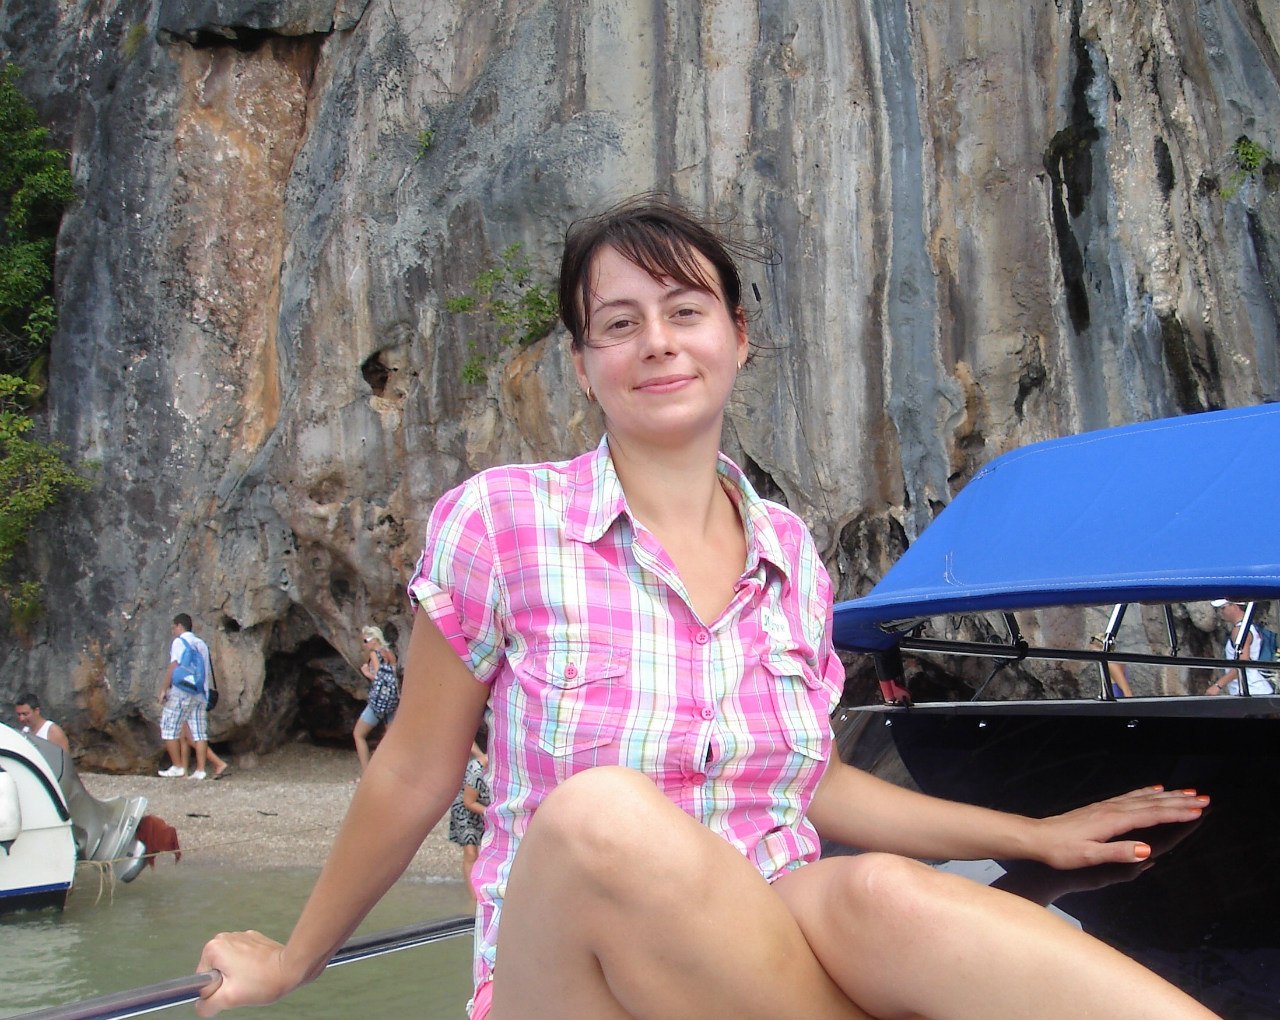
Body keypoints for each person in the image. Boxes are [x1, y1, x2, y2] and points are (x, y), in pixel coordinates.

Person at [197, 198, 1217, 1020]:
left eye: (685, 312)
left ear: (737, 335)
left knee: (878, 890)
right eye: (618, 323)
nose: (657, 343)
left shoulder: (789, 554)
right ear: (583, 364)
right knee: (599, 818)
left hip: (769, 951)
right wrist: (292, 959)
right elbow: (415, 771)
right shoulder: (501, 523)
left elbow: (810, 784)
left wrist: (1032, 835)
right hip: (574, 979)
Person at [159, 613, 214, 779]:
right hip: (200, 693)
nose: (173, 631)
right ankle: (200, 770)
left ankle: (177, 766)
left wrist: (164, 689)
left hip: (182, 691)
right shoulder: (201, 644)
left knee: (169, 728)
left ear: (180, 626)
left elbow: (173, 666)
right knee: (199, 732)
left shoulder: (179, 642)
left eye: (174, 628)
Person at [447, 725, 491, 906]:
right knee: (471, 851)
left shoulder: (507, 770)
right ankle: (474, 898)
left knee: (489, 849)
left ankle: (487, 886)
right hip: (466, 808)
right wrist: (491, 812)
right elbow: (469, 802)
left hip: (486, 807)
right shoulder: (477, 768)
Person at [352, 626, 399, 771]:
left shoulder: (374, 654)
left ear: (374, 640)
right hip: (392, 700)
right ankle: (388, 771)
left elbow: (379, 677)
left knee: (358, 734)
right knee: (391, 737)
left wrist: (366, 672)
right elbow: (394, 673)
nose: (364, 645)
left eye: (366, 641)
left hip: (378, 701)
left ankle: (367, 772)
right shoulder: (389, 653)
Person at [1205, 599, 1275, 695]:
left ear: (1234, 606)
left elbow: (1242, 662)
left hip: (1250, 690)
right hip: (1256, 689)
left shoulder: (1239, 631)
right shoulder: (1250, 628)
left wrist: (1218, 685)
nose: (1221, 612)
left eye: (1223, 608)